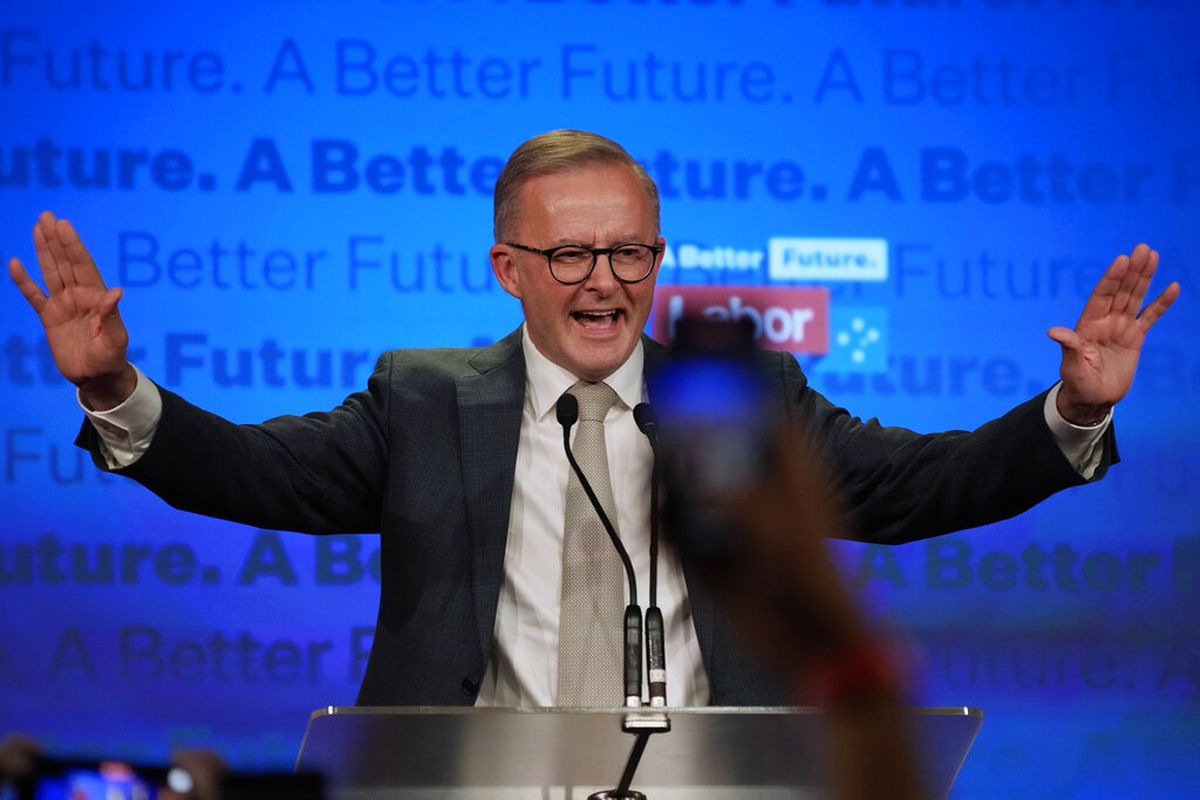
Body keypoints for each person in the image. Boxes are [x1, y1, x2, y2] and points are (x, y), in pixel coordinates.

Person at [7, 130, 1180, 709]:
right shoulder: (424, 397)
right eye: (570, 251)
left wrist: (1073, 407)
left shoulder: (735, 395)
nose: (604, 280)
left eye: (629, 250)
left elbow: (917, 487)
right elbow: (251, 474)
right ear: (509, 267)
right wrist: (114, 386)